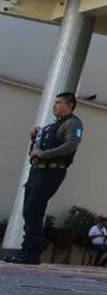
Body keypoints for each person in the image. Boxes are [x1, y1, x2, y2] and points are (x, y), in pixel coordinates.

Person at [3, 92, 84, 265]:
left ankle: (32, 250)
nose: (54, 106)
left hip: (52, 171)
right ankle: (31, 247)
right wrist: (34, 140)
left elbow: (71, 145)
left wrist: (44, 154)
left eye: (58, 103)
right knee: (29, 210)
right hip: (37, 172)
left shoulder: (73, 123)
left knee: (34, 208)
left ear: (69, 106)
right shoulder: (50, 127)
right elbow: (34, 154)